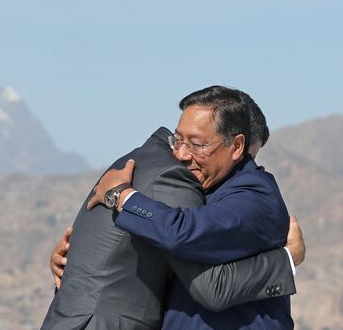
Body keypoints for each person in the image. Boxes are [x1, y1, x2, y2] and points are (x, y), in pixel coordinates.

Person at [41, 86, 302, 330]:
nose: (181, 154)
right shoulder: (187, 182)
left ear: (236, 147)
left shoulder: (254, 196)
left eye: (197, 144)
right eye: (178, 140)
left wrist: (122, 197)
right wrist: (72, 262)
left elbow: (193, 254)